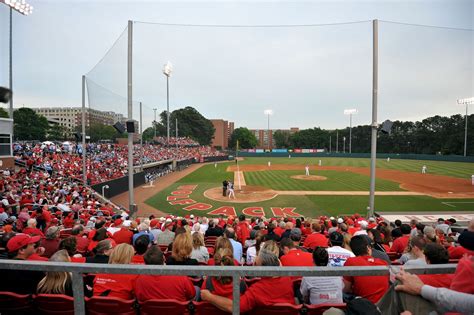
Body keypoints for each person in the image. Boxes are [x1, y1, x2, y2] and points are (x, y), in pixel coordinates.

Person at [201, 249, 295, 313]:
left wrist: (209, 297)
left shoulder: (256, 290)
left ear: (264, 269)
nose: (253, 266)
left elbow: (234, 307)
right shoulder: (288, 279)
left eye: (256, 264)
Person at [343, 235, 389, 304]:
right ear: (368, 248)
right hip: (383, 304)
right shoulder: (383, 262)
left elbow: (346, 289)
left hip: (365, 305)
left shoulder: (350, 261)